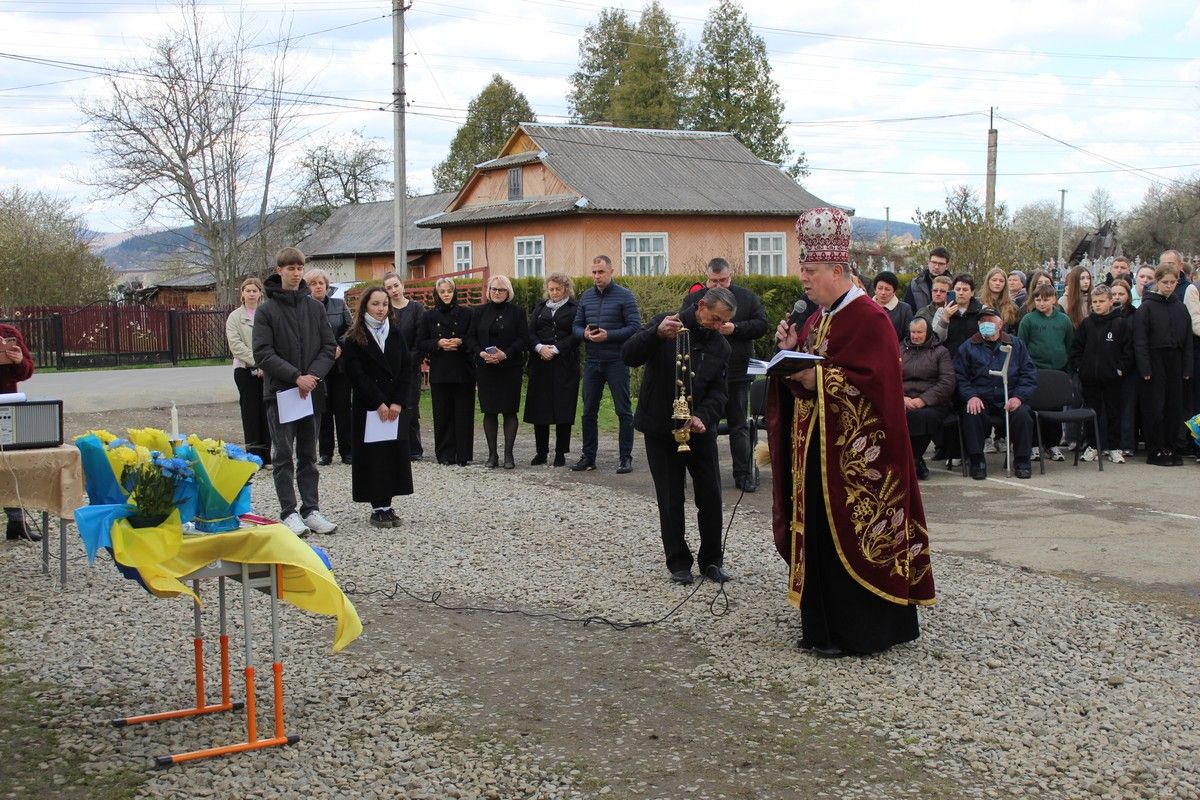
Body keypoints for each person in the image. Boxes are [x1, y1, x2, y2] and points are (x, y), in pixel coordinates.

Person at [767, 207, 934, 658]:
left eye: (811, 270)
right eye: (802, 269)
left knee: (851, 533)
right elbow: (814, 368)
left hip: (858, 459)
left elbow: (875, 385)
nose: (803, 278)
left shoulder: (870, 318)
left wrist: (815, 379)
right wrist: (788, 356)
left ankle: (860, 630)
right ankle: (821, 625)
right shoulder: (817, 318)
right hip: (817, 449)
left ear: (838, 270)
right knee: (819, 533)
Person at [623, 289, 735, 585]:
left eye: (723, 322)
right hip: (661, 427)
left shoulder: (721, 346)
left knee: (711, 495)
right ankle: (678, 562)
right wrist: (655, 335)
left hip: (699, 430)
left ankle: (712, 560)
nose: (717, 326)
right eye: (714, 319)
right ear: (701, 306)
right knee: (671, 497)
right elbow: (629, 355)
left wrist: (705, 416)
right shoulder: (665, 323)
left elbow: (719, 391)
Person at [252, 247, 338, 537]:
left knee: (308, 454)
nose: (296, 273)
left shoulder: (315, 307)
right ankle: (288, 511)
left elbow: (329, 347)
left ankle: (311, 509)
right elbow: (263, 353)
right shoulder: (266, 311)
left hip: (311, 391)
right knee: (283, 454)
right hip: (281, 393)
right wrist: (295, 377)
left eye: (300, 267)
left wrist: (312, 376)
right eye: (290, 268)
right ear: (280, 271)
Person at [680, 257, 769, 492]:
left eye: (723, 281)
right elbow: (684, 331)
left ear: (731, 277)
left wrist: (737, 329)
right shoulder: (694, 300)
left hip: (738, 371)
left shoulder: (746, 297)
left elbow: (762, 325)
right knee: (702, 424)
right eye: (713, 281)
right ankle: (702, 474)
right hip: (704, 375)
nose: (719, 286)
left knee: (739, 426)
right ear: (707, 280)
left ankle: (743, 474)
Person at [340, 286, 414, 527]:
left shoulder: (396, 333)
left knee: (392, 453)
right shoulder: (354, 338)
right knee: (373, 456)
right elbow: (356, 375)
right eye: (375, 304)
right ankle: (377, 506)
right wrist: (378, 403)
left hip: (394, 406)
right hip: (369, 407)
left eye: (384, 304)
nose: (381, 309)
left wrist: (397, 402)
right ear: (365, 306)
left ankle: (389, 503)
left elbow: (405, 370)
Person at [571, 255, 642, 473]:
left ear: (611, 272)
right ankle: (588, 457)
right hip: (592, 360)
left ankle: (625, 457)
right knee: (588, 411)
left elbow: (635, 327)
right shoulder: (586, 297)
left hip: (617, 360)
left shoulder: (625, 296)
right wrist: (583, 334)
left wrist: (608, 335)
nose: (596, 276)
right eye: (593, 272)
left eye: (601, 272)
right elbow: (575, 325)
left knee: (623, 410)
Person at [954, 306, 1039, 480]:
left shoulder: (1015, 344)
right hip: (981, 397)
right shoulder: (968, 346)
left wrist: (1018, 397)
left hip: (1009, 397)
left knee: (1023, 414)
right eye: (982, 321)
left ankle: (1022, 461)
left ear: (1000, 324)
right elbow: (959, 376)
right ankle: (977, 461)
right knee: (972, 412)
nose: (986, 324)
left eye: (990, 321)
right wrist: (971, 395)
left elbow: (1029, 374)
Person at [1133, 264, 1193, 466]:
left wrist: (1186, 368)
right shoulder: (1146, 308)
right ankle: (1155, 450)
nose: (1168, 286)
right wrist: (1145, 368)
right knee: (1155, 408)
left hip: (1175, 361)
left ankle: (1170, 447)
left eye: (1172, 282)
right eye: (1164, 282)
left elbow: (1187, 342)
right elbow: (1140, 341)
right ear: (1157, 282)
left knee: (1173, 407)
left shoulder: (1181, 308)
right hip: (1154, 360)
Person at [467, 275, 528, 469]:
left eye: (501, 290)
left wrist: (505, 354)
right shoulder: (478, 312)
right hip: (486, 368)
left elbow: (523, 339)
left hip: (509, 367)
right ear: (489, 291)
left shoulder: (517, 312)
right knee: (490, 411)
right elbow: (470, 338)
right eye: (494, 289)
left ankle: (508, 455)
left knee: (510, 411)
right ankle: (492, 455)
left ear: (508, 292)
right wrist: (481, 353)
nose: (497, 293)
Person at [1069, 285, 1131, 464]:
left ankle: (1114, 447)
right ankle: (1093, 446)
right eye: (1094, 302)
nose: (1097, 305)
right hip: (1090, 379)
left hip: (1112, 379)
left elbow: (1128, 351)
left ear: (1111, 302)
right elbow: (1076, 349)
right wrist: (1081, 368)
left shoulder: (1120, 323)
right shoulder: (1087, 324)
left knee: (1113, 413)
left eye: (1102, 301)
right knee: (1091, 413)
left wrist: (1120, 370)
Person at [524, 273, 580, 467]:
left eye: (558, 289)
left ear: (566, 289)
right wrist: (540, 347)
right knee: (541, 408)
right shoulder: (540, 308)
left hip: (564, 363)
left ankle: (560, 453)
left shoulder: (575, 308)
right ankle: (541, 451)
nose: (554, 292)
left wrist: (556, 349)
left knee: (563, 407)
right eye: (551, 289)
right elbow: (530, 332)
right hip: (541, 363)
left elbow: (577, 333)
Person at [418, 277, 475, 466]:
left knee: (463, 412)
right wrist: (438, 343)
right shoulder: (429, 316)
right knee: (442, 413)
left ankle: (463, 454)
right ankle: (445, 453)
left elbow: (474, 338)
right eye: (442, 292)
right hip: (441, 369)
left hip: (462, 369)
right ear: (437, 294)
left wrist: (461, 341)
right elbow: (421, 342)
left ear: (454, 292)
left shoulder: (467, 313)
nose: (446, 295)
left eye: (449, 291)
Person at [1017, 284, 1075, 462]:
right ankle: (1034, 445)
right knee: (1034, 410)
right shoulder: (1028, 319)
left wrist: (1069, 373)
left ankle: (1052, 444)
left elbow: (1069, 345)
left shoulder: (1064, 320)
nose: (1041, 303)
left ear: (1054, 299)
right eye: (1038, 299)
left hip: (1057, 372)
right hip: (1035, 371)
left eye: (1046, 299)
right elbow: (1021, 346)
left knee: (1055, 409)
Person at [306, 268, 353, 466]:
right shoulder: (305, 308)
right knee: (322, 411)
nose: (318, 286)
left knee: (343, 410)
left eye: (321, 283)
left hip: (340, 366)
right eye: (314, 283)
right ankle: (325, 452)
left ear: (326, 285)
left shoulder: (340, 305)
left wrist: (339, 345)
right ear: (308, 287)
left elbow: (350, 329)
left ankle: (348, 451)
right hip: (317, 367)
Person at [224, 277, 271, 467]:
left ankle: (267, 457)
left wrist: (266, 364)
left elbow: (272, 340)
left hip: (267, 371)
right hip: (244, 370)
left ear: (260, 293)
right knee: (250, 414)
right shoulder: (235, 317)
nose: (251, 294)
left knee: (267, 414)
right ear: (242, 293)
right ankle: (253, 457)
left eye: (255, 290)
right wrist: (257, 362)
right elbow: (236, 346)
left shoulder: (267, 314)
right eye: (248, 290)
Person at [901, 317, 955, 480]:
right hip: (902, 400)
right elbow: (888, 377)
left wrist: (923, 400)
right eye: (913, 332)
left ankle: (914, 459)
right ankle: (914, 461)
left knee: (923, 416)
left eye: (920, 332)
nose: (915, 336)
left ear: (928, 332)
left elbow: (947, 381)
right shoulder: (899, 349)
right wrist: (901, 398)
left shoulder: (940, 352)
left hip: (932, 402)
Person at [0, 325, 38, 541]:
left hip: (5, 406)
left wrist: (18, 361)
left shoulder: (9, 333)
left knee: (10, 463)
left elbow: (27, 370)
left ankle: (16, 523)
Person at [383, 272, 425, 460]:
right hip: (388, 369)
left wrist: (409, 362)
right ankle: (394, 446)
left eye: (395, 285)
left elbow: (420, 339)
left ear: (402, 285)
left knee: (409, 407)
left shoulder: (416, 308)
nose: (393, 290)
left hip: (410, 367)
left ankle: (414, 449)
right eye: (389, 288)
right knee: (390, 407)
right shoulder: (384, 310)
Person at [1111, 279, 1140, 456]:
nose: (1117, 297)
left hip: (1130, 369)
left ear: (1128, 296)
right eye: (1114, 294)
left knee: (1128, 407)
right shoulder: (1106, 316)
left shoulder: (1135, 315)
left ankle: (1127, 443)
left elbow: (1134, 344)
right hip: (1109, 369)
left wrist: (1124, 366)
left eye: (1121, 294)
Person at [932, 273, 983, 355]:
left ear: (972, 292)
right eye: (958, 289)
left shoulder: (981, 311)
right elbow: (936, 339)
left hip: (974, 358)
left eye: (965, 290)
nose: (961, 293)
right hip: (948, 358)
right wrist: (945, 318)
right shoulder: (941, 311)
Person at [902, 246, 950, 312]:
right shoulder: (916, 284)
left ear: (947, 266)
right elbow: (907, 311)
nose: (936, 267)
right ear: (928, 263)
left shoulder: (954, 284)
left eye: (941, 264)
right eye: (934, 262)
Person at [872, 271, 913, 342]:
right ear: (875, 290)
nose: (883, 293)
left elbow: (908, 336)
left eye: (887, 289)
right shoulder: (866, 308)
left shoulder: (904, 309)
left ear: (894, 292)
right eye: (880, 288)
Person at [980, 267, 1021, 333]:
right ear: (988, 282)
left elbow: (1015, 330)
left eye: (1001, 281)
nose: (998, 283)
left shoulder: (1013, 307)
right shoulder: (979, 303)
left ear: (1005, 284)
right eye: (994, 280)